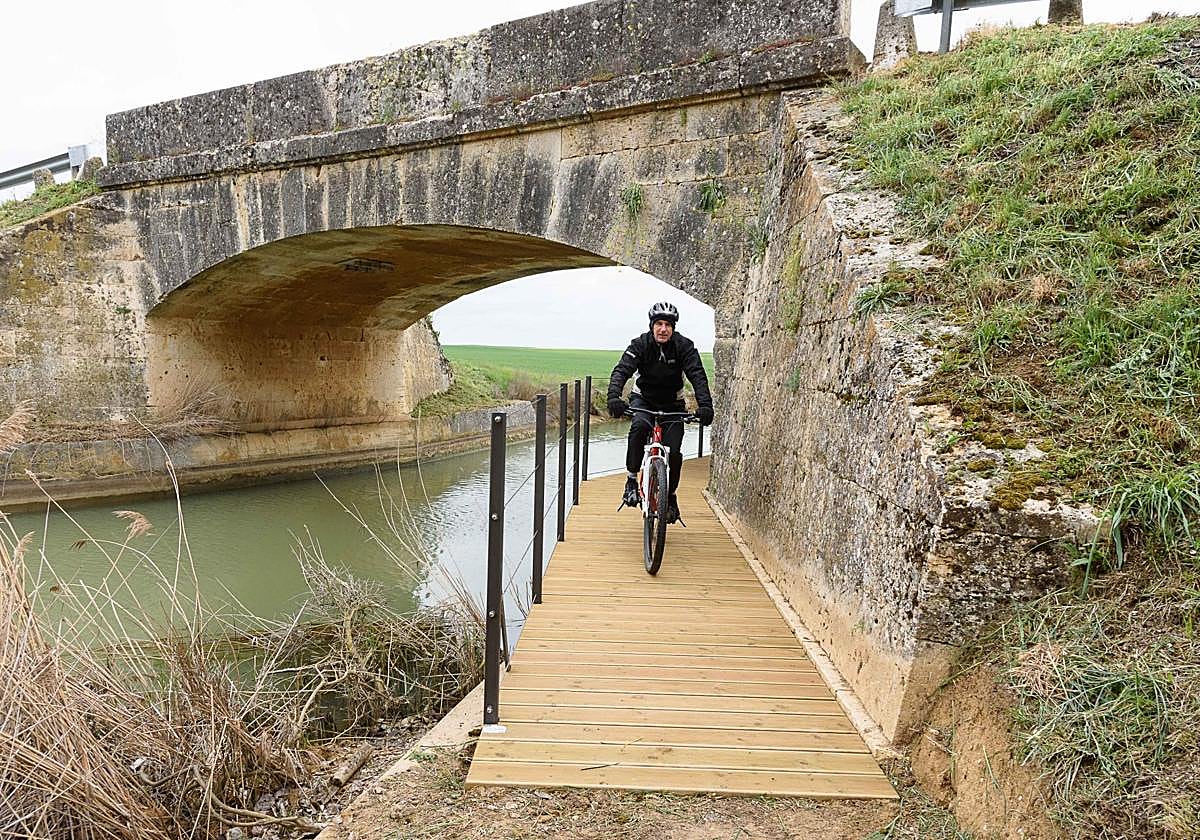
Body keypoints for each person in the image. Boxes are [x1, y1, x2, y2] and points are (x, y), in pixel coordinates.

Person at [607, 301, 714, 523]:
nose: (663, 329)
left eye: (667, 324)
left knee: (674, 452)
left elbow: (697, 375)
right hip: (643, 400)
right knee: (638, 428)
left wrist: (705, 405)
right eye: (659, 324)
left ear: (673, 328)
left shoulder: (684, 346)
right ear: (652, 326)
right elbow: (622, 370)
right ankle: (630, 480)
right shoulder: (640, 344)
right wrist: (613, 397)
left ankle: (670, 496)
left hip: (672, 405)